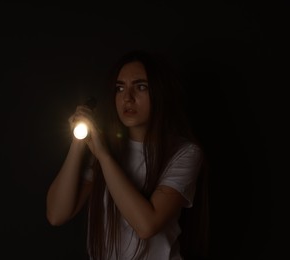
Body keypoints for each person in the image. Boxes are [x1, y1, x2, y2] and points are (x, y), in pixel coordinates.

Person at [46, 50, 209, 260]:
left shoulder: (185, 153)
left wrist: (103, 156)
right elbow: (56, 215)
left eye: (140, 87)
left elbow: (146, 225)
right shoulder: (104, 146)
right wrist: (79, 143)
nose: (127, 98)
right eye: (120, 88)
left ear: (160, 93)